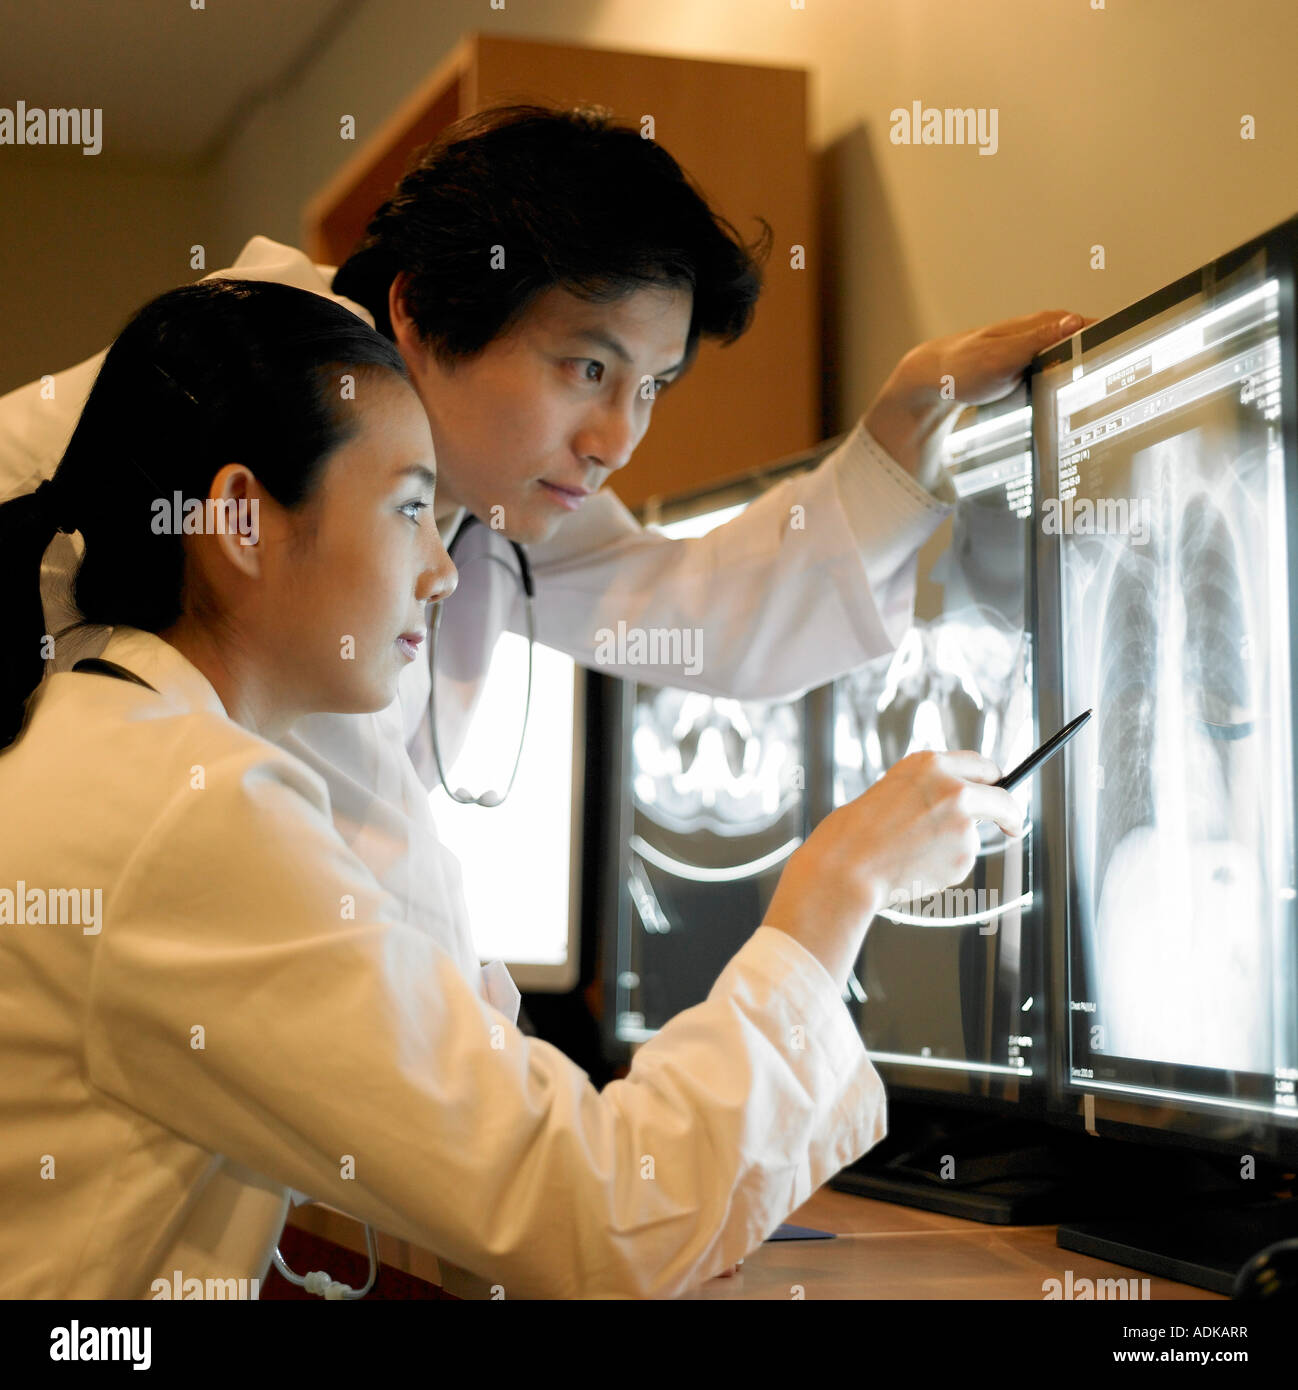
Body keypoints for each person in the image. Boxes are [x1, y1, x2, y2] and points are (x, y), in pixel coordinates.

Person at [0, 279, 1024, 1299]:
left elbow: (693, 599)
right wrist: (835, 890)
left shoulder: (109, 733)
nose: (443, 573)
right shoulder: (191, 814)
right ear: (240, 520)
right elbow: (602, 1216)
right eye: (410, 509)